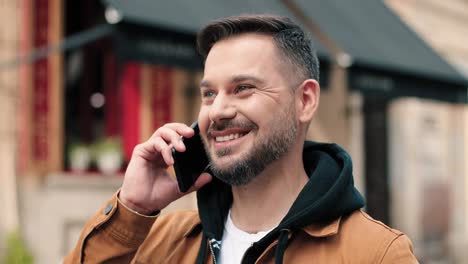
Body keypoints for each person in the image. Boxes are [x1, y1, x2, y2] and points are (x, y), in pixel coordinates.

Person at [65, 14, 418, 263]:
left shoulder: (376, 254)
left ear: (305, 101)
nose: (217, 110)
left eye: (243, 88)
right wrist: (134, 208)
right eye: (208, 94)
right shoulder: (162, 239)